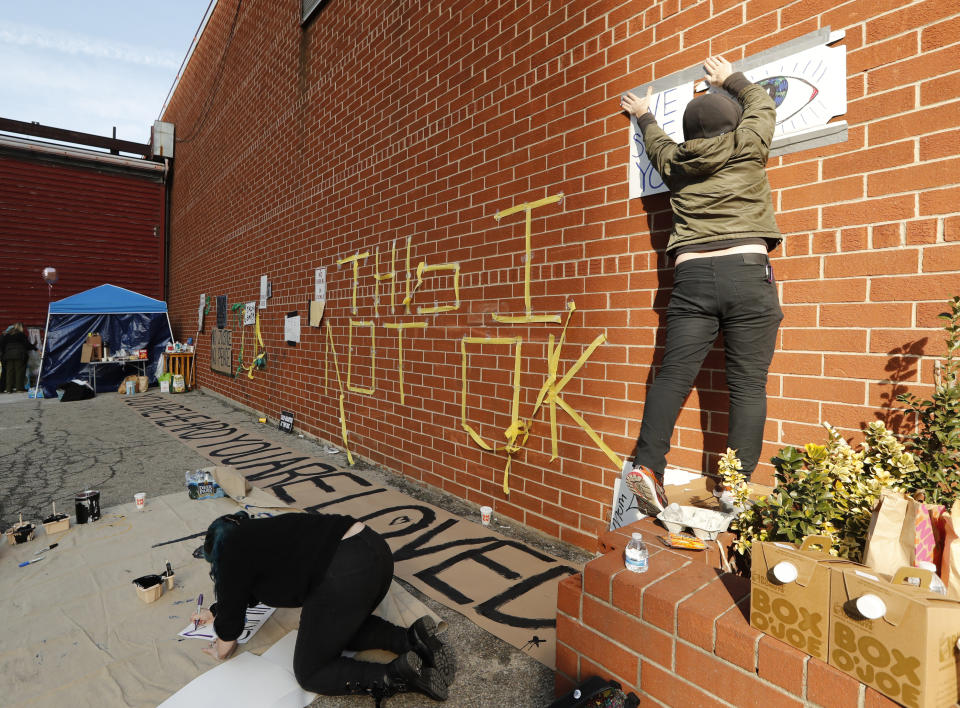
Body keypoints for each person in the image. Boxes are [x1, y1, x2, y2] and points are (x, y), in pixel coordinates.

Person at [619, 56, 783, 514]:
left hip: (691, 276)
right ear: (733, 126)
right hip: (747, 268)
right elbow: (761, 103)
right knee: (747, 384)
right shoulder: (748, 145)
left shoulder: (675, 161)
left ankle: (648, 465)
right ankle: (734, 485)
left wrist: (644, 114)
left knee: (673, 375)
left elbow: (655, 143)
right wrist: (727, 78)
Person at [192, 511, 455, 706]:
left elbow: (228, 635)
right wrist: (217, 610)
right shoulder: (258, 530)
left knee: (310, 672)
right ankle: (412, 639)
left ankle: (396, 675)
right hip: (375, 553)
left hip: (346, 575)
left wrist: (220, 645)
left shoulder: (228, 552)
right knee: (335, 626)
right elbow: (245, 585)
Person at [1, 323, 35, 393]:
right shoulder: (21, 335)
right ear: (21, 328)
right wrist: (35, 348)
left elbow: (2, 344)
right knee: (19, 371)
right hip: (19, 354)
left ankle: (8, 389)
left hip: (8, 355)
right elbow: (27, 344)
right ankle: (19, 388)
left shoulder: (8, 335)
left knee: (9, 372)